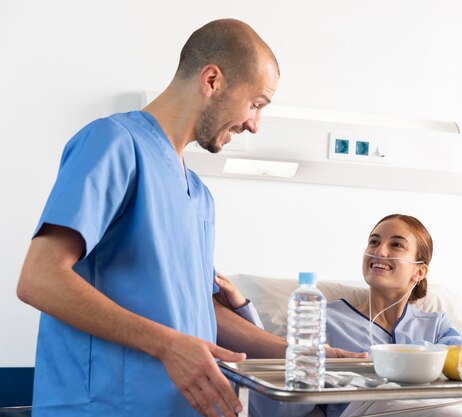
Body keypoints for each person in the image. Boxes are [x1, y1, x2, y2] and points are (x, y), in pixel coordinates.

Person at [16, 18, 359, 417]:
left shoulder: (199, 195)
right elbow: (39, 278)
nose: (254, 124)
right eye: (256, 103)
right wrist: (167, 346)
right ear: (212, 80)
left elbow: (197, 309)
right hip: (104, 406)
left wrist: (307, 355)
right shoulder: (113, 143)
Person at [223, 214, 462, 417]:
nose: (380, 251)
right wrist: (241, 309)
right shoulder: (325, 318)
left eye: (396, 245)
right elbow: (288, 398)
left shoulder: (436, 324)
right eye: (374, 242)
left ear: (420, 271)